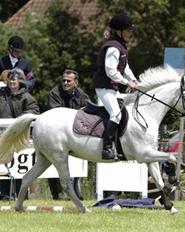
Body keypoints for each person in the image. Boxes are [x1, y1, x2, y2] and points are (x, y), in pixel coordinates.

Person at [92, 12, 139, 160]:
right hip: (104, 87)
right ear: (119, 31)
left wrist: (135, 81)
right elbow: (111, 71)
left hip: (112, 88)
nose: (130, 33)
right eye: (128, 30)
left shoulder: (121, 46)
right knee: (116, 114)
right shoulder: (113, 47)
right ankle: (106, 148)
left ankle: (120, 145)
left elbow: (125, 68)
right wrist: (127, 83)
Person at [48, 69, 89, 200]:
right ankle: (57, 193)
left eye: (68, 81)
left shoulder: (82, 94)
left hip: (75, 134)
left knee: (78, 164)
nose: (65, 83)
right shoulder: (54, 93)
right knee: (53, 164)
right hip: (56, 134)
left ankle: (75, 191)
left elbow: (88, 110)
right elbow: (56, 114)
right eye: (64, 80)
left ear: (76, 82)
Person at [0, 67, 40, 200]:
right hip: (2, 136)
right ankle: (4, 195)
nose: (12, 82)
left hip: (19, 138)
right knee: (3, 166)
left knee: (20, 169)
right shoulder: (1, 94)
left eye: (14, 80)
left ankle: (21, 194)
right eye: (10, 79)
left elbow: (33, 112)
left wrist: (17, 124)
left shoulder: (27, 97)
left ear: (20, 81)